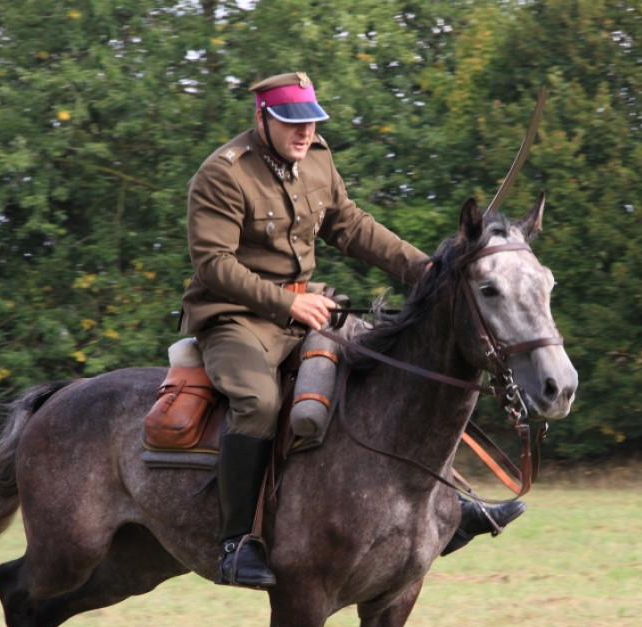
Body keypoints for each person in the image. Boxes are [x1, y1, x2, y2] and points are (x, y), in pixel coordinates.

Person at [180, 72, 526, 589]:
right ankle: (235, 544)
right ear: (262, 118)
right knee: (258, 402)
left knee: (392, 380)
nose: (305, 132)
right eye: (292, 122)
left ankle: (450, 504)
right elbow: (214, 265)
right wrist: (287, 303)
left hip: (312, 308)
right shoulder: (223, 174)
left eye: (311, 121)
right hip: (236, 318)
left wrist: (426, 269)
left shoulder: (317, 158)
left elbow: (350, 225)